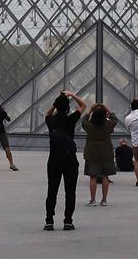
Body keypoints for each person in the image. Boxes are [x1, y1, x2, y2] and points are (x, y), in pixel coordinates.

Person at [44, 90, 86, 231]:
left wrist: (56, 103)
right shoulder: (71, 119)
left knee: (52, 191)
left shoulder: (51, 121)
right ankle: (68, 221)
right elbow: (83, 105)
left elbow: (47, 113)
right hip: (70, 159)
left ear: (56, 106)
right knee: (70, 191)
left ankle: (49, 221)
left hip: (54, 159)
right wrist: (71, 95)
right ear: (67, 107)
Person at [82, 102, 117, 207]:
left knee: (93, 177)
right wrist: (106, 108)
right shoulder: (108, 125)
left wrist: (90, 110)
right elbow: (115, 120)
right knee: (105, 176)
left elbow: (83, 120)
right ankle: (104, 200)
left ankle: (92, 200)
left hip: (92, 153)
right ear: (104, 115)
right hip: (106, 153)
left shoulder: (89, 126)